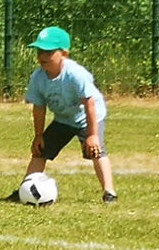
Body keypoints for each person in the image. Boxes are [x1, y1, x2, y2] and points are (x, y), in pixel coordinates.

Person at [8, 26, 117, 203]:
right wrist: (38, 136)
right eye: (40, 51)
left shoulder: (75, 74)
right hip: (63, 119)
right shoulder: (38, 77)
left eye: (49, 52)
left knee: (96, 151)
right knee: (40, 151)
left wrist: (93, 135)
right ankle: (25, 190)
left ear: (64, 54)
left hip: (87, 118)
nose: (42, 56)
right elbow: (39, 107)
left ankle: (109, 192)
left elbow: (90, 103)